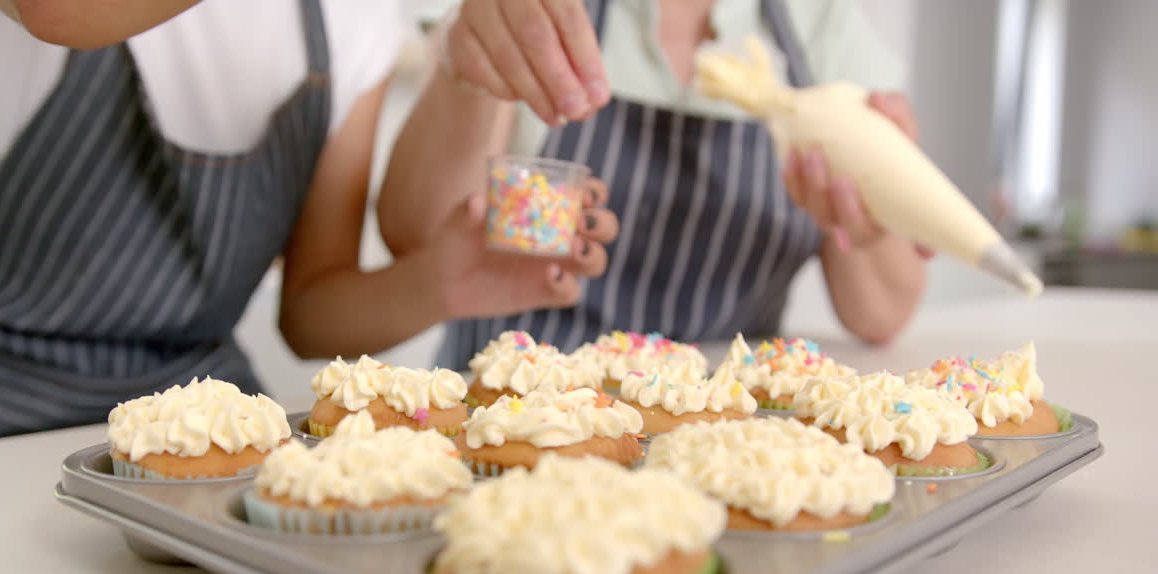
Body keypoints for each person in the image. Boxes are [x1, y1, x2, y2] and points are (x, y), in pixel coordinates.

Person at [0, 0, 618, 453]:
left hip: (192, 415)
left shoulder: (348, 15)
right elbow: (57, 7)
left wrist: (438, 282)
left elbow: (311, 310)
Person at [380, 0, 931, 372]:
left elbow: (879, 312)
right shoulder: (532, 9)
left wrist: (862, 206)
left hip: (727, 437)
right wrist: (470, 69)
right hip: (505, 412)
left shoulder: (818, 24)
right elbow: (418, 238)